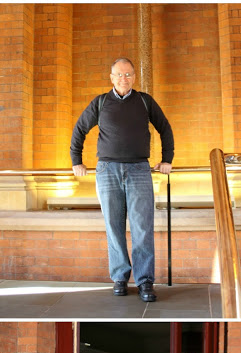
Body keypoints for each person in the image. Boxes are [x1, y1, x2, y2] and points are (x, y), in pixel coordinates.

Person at [70, 57, 174, 302]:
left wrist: (166, 158)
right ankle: (119, 277)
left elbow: (165, 128)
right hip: (107, 171)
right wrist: (76, 161)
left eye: (128, 74)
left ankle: (145, 281)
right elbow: (79, 130)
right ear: (111, 78)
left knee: (142, 228)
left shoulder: (145, 102)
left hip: (139, 169)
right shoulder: (101, 102)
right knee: (113, 227)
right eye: (119, 74)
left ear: (134, 77)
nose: (124, 78)